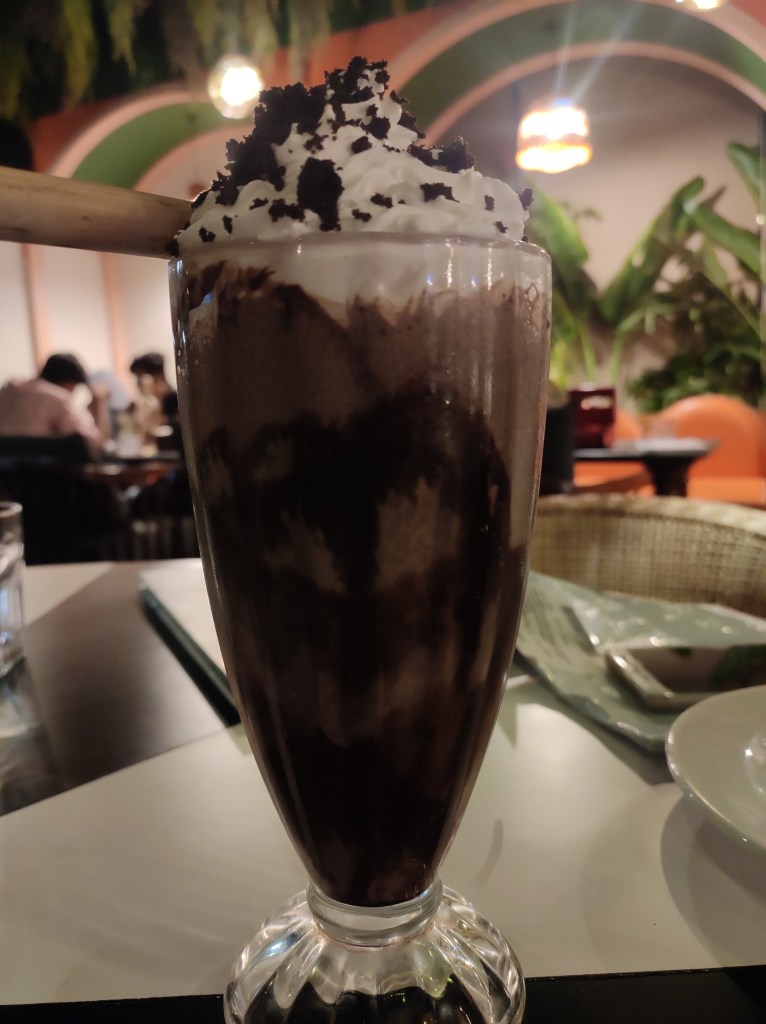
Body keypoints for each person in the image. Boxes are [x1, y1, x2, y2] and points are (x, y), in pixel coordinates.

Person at [0, 353, 111, 455]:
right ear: (69, 383)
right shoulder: (56, 398)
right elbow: (93, 445)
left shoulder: (8, 390)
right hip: (37, 467)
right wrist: (99, 404)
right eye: (74, 388)